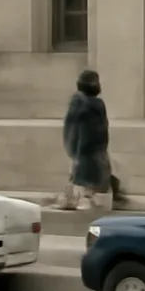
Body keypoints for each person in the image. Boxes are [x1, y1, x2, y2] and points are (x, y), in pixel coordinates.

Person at [55, 69, 111, 211]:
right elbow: (99, 131)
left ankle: (76, 198)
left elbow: (71, 129)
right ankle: (84, 198)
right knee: (89, 176)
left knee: (80, 175)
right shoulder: (95, 105)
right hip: (90, 149)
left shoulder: (76, 103)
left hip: (80, 148)